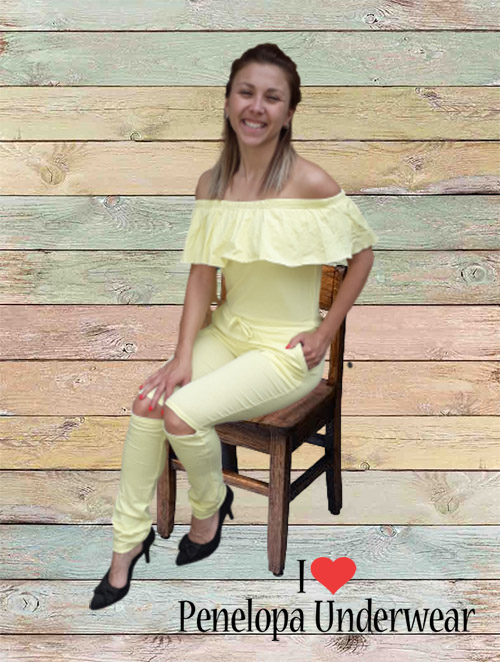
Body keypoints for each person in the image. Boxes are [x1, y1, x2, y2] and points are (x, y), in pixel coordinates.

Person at [89, 43, 378, 610]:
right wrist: (181, 356)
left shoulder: (310, 182)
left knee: (181, 415)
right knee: (149, 402)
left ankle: (209, 507)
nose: (257, 106)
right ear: (227, 102)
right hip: (225, 334)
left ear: (289, 112)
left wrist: (324, 332)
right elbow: (202, 276)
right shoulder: (211, 185)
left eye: (272, 97)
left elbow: (363, 254)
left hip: (283, 352)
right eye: (246, 92)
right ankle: (126, 545)